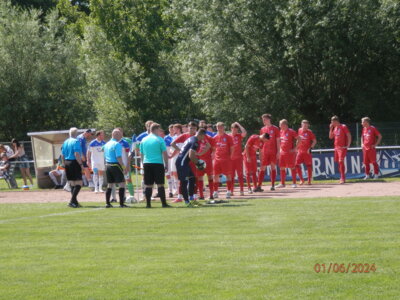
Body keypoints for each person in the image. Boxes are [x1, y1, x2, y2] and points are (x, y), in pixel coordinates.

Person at [140, 123, 171, 208]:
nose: (160, 132)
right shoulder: (160, 139)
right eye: (159, 130)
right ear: (156, 129)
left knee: (148, 185)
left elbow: (141, 154)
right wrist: (166, 164)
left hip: (147, 163)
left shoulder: (144, 139)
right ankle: (164, 204)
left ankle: (148, 204)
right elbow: (164, 153)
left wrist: (143, 163)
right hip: (158, 163)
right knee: (160, 184)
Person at [176, 128, 207, 207]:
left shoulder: (191, 138)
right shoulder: (195, 141)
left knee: (192, 178)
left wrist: (197, 162)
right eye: (203, 136)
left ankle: (192, 199)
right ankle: (187, 202)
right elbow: (191, 155)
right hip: (182, 162)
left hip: (184, 162)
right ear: (201, 135)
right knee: (184, 182)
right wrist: (198, 163)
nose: (203, 138)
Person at [171, 122, 198, 202]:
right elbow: (173, 143)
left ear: (196, 129)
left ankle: (193, 196)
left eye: (193, 128)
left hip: (192, 160)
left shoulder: (197, 136)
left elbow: (206, 144)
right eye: (190, 127)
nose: (191, 129)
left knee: (193, 178)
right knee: (183, 179)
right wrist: (180, 150)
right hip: (184, 160)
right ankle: (180, 197)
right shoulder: (185, 135)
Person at [103, 129, 129, 208]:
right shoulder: (117, 144)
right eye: (120, 134)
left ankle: (107, 203)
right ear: (116, 135)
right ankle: (121, 203)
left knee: (110, 184)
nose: (121, 136)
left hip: (108, 165)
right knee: (122, 183)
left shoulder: (106, 144)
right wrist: (124, 167)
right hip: (116, 165)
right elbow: (118, 157)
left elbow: (103, 154)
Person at [61, 127, 84, 208]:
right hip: (74, 162)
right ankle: (72, 201)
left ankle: (75, 202)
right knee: (79, 183)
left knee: (72, 183)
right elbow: (76, 154)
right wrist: (81, 164)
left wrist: (64, 164)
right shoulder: (76, 141)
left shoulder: (65, 142)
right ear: (76, 134)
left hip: (67, 162)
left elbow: (62, 155)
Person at [257, 114, 280, 191]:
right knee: (262, 168)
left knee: (273, 167)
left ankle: (273, 185)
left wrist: (278, 152)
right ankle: (259, 186)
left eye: (264, 119)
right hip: (264, 151)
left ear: (268, 119)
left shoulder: (275, 129)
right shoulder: (262, 129)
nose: (263, 121)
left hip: (273, 151)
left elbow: (278, 141)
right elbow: (260, 142)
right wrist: (260, 152)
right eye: (263, 120)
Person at [212, 122, 234, 199]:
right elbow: (214, 149)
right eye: (218, 127)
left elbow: (232, 148)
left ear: (223, 127)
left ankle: (228, 191)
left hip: (226, 159)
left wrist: (230, 157)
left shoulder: (228, 137)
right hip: (217, 160)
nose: (219, 128)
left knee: (228, 175)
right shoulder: (214, 138)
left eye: (221, 127)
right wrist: (213, 157)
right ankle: (215, 192)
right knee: (215, 175)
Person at [276, 119, 300, 188]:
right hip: (282, 153)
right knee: (282, 168)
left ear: (284, 125)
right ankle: (282, 183)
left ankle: (294, 183)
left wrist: (295, 148)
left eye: (280, 125)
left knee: (292, 167)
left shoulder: (291, 131)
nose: (279, 126)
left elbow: (299, 139)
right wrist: (280, 149)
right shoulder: (280, 132)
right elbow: (280, 142)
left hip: (290, 153)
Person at [329, 115, 352, 184]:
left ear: (335, 121)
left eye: (332, 122)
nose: (331, 123)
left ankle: (342, 178)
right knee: (339, 162)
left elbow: (349, 135)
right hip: (336, 148)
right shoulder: (335, 128)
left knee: (341, 161)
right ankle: (341, 177)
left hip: (342, 147)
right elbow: (330, 137)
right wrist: (331, 128)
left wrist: (348, 145)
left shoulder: (343, 126)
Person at [295, 120, 317, 185]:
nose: (304, 126)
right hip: (300, 151)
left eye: (306, 125)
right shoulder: (299, 130)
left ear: (308, 125)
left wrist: (310, 148)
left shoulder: (309, 132)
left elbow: (314, 141)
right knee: (296, 164)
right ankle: (301, 179)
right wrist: (296, 147)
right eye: (303, 125)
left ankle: (309, 180)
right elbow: (298, 139)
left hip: (307, 152)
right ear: (301, 125)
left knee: (309, 166)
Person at [195, 128, 214, 200]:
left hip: (207, 160)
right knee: (200, 177)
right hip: (199, 161)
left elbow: (211, 147)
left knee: (210, 176)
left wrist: (200, 153)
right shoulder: (196, 138)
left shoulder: (207, 138)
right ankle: (201, 195)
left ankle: (211, 194)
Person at [230, 122, 247, 196]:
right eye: (234, 129)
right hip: (230, 159)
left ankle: (241, 190)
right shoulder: (228, 136)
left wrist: (239, 124)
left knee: (240, 175)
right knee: (231, 176)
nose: (235, 131)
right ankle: (231, 191)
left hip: (238, 158)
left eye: (236, 130)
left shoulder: (239, 136)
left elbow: (244, 133)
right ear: (231, 129)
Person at [164, 125, 176, 197]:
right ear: (168, 129)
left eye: (173, 129)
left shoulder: (176, 137)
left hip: (174, 157)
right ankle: (170, 190)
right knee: (168, 174)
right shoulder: (166, 138)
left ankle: (175, 189)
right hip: (168, 157)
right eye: (170, 129)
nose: (171, 130)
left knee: (174, 174)